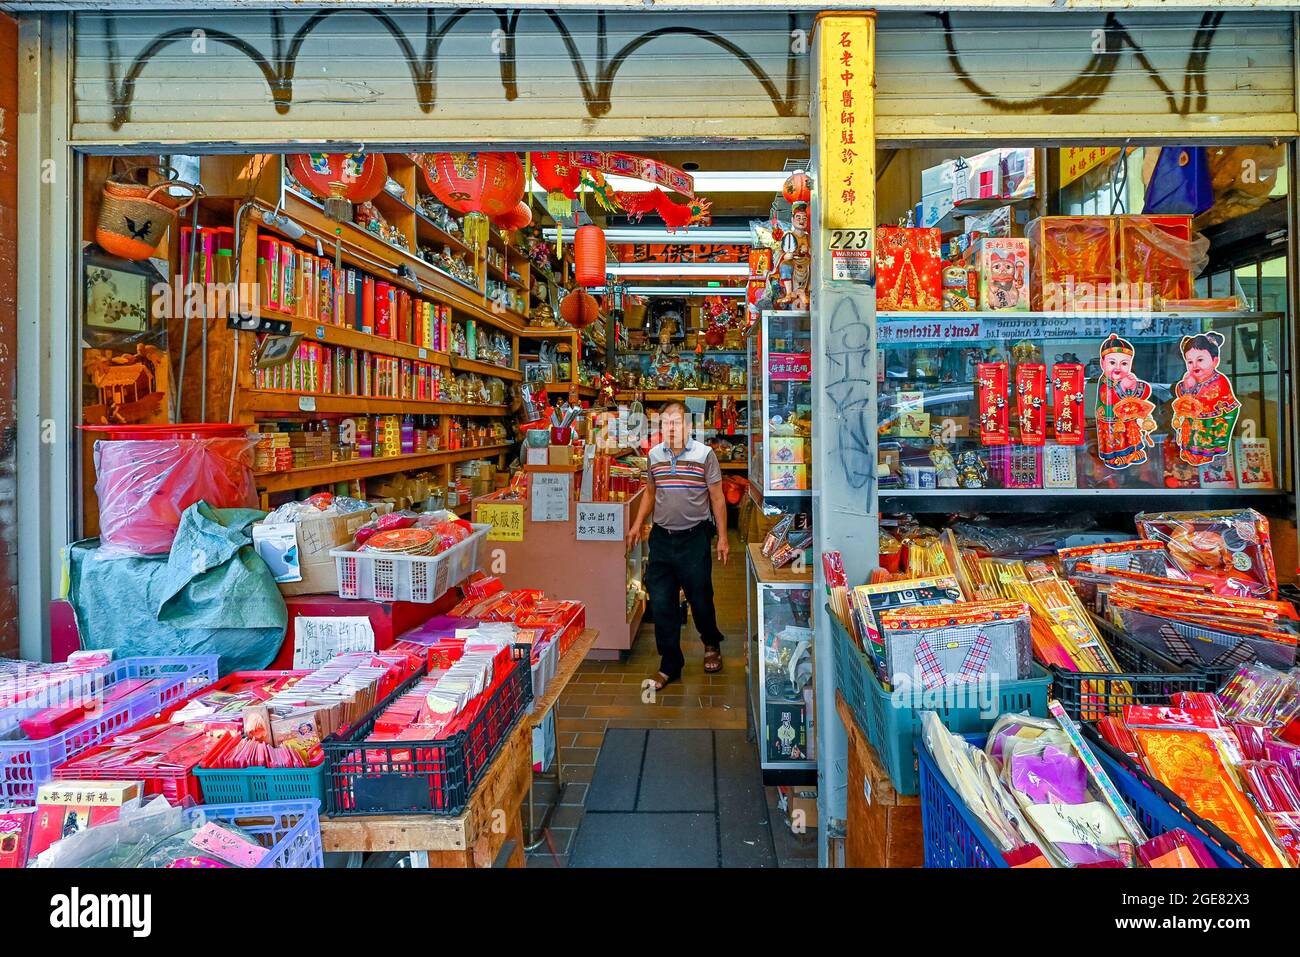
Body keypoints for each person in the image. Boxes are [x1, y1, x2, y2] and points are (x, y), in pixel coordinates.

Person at [626, 400, 729, 691]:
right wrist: (636, 524)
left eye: (677, 422)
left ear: (687, 425)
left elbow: (717, 497)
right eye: (666, 422)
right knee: (661, 602)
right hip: (661, 537)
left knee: (700, 597)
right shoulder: (654, 455)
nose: (671, 427)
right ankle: (670, 663)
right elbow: (650, 492)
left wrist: (722, 537)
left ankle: (711, 642)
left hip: (694, 537)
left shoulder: (704, 454)